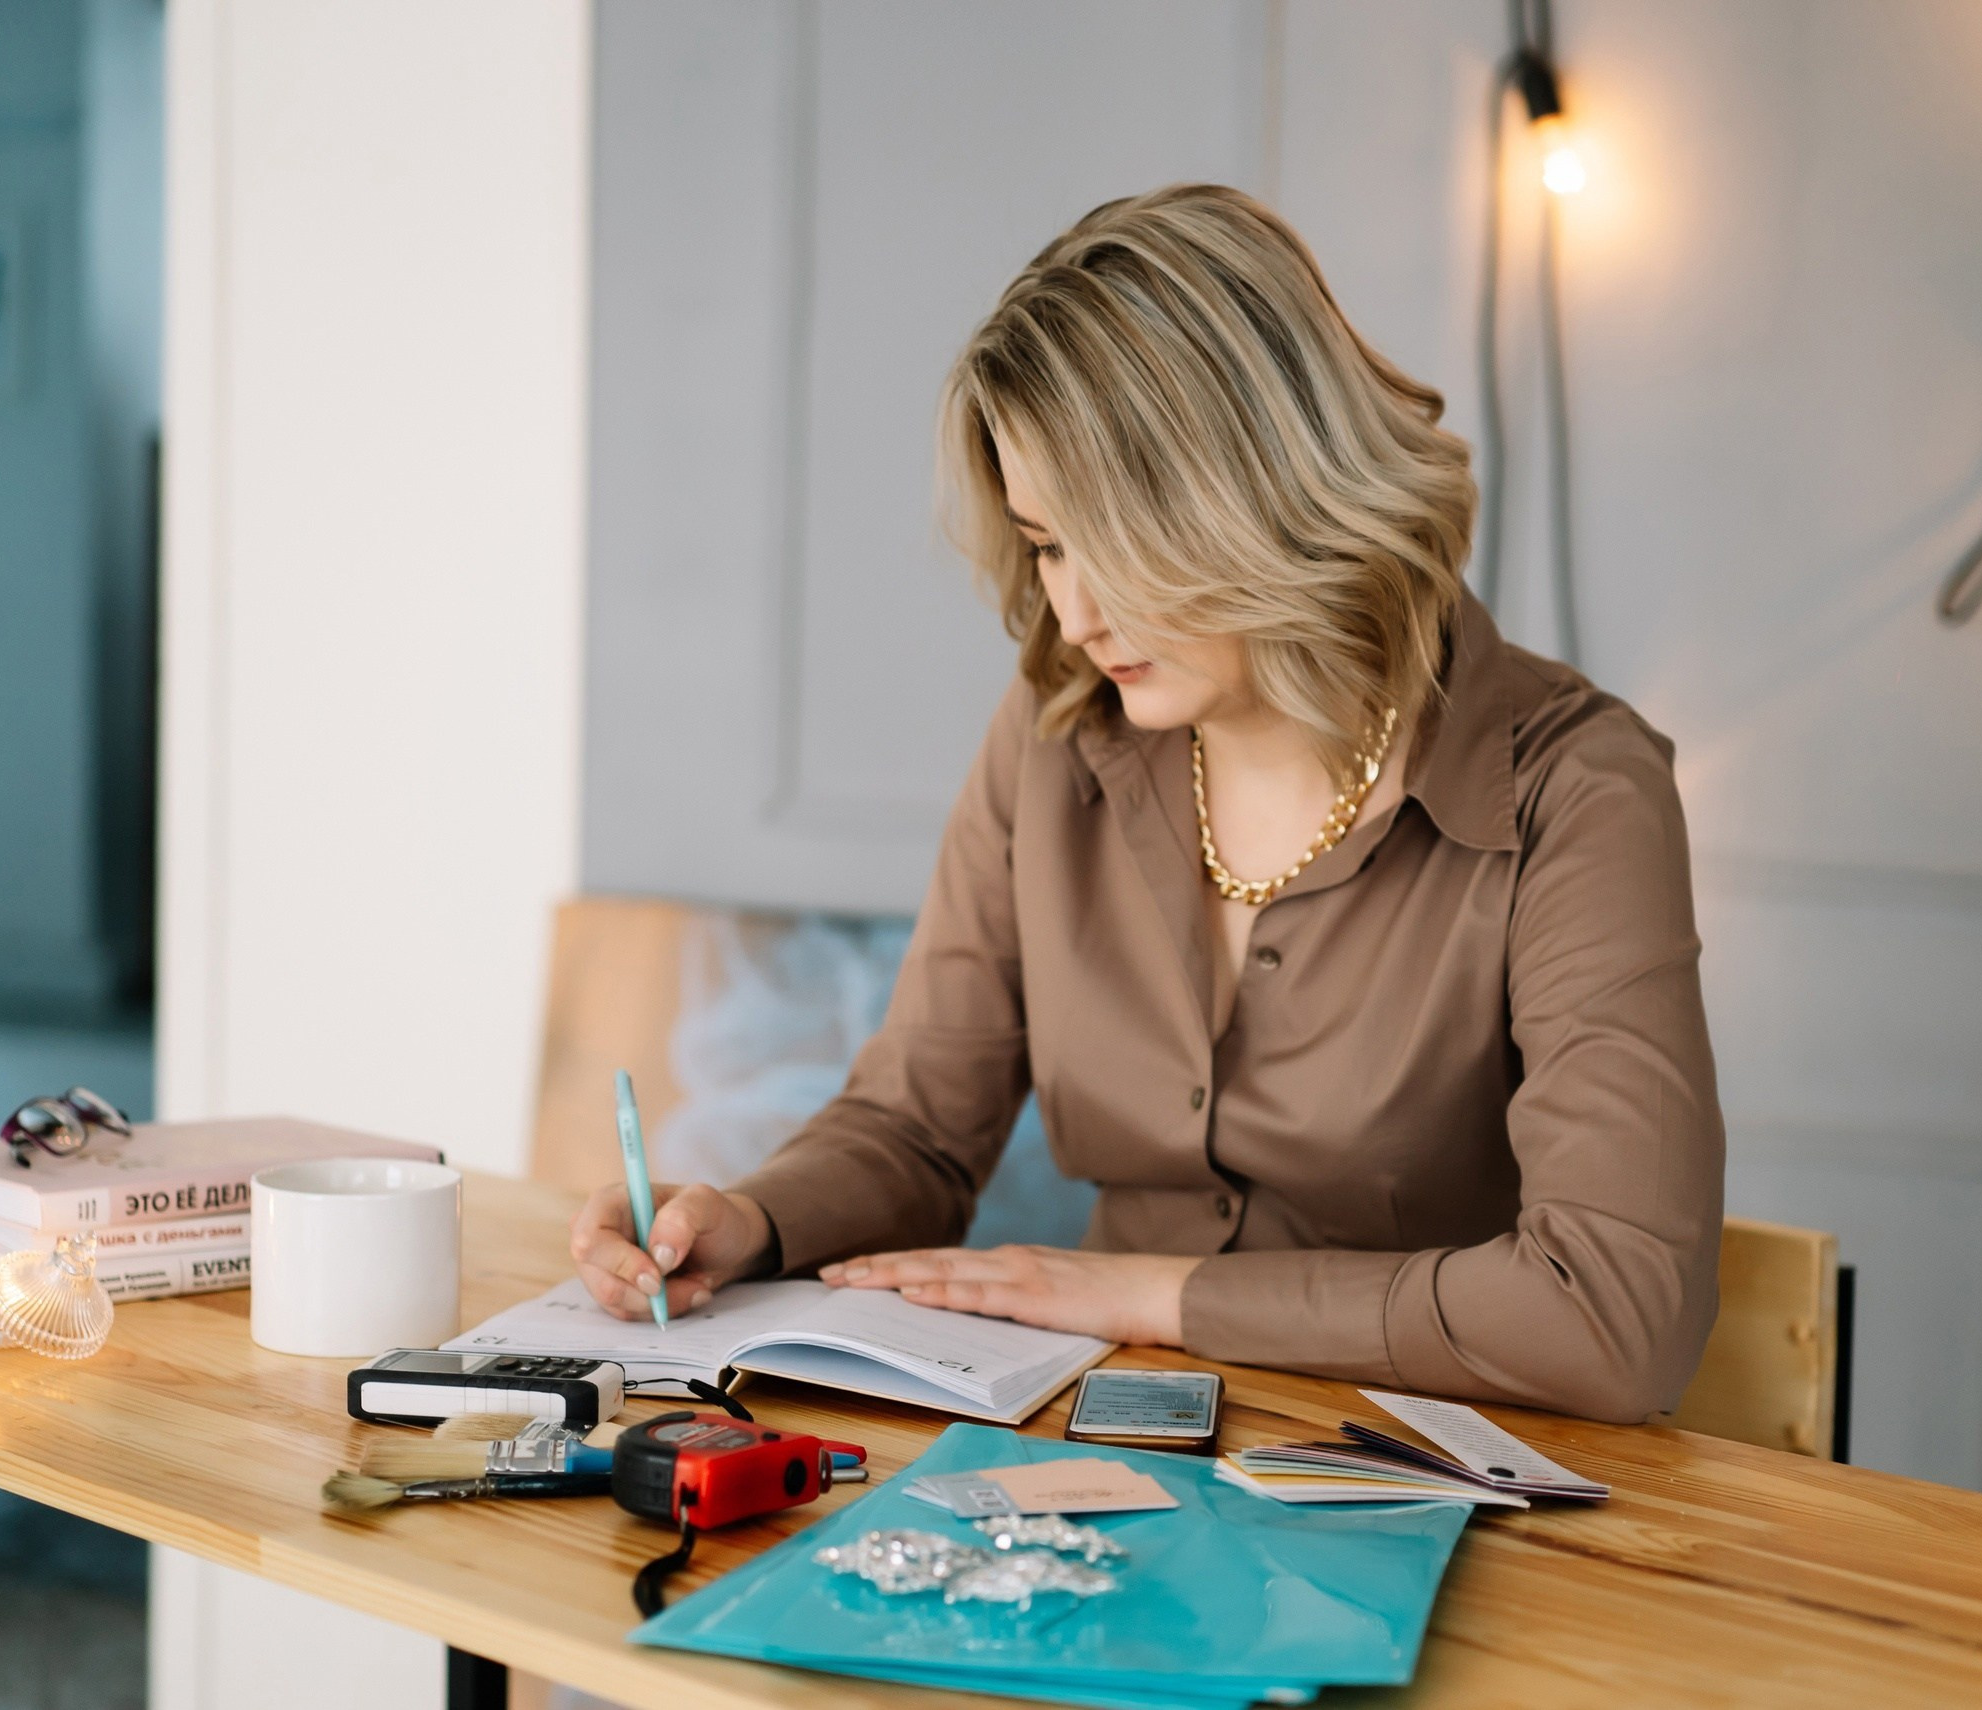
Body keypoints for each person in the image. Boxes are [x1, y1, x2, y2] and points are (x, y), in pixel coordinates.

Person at [571, 183, 1723, 1423]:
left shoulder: (1573, 791)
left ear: (1261, 490)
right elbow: (917, 1127)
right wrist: (747, 1218)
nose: (1071, 615)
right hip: (1101, 1456)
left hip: (1419, 1475)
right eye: (1045, 546)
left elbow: (1610, 1314)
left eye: (1108, 544)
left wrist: (1149, 1299)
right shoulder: (1058, 731)